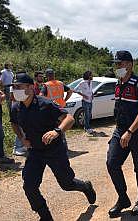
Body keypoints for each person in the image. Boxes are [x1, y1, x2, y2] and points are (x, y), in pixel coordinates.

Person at [10, 73, 96, 220]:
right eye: (14, 87)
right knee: (29, 186)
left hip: (54, 150)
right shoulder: (16, 107)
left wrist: (57, 131)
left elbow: (69, 118)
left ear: (31, 87)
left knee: (67, 184)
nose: (15, 90)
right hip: (35, 151)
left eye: (19, 87)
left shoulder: (45, 104)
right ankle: (45, 217)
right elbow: (14, 123)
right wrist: (22, 138)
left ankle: (85, 187)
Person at [106, 50, 138, 218]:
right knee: (112, 163)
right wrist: (123, 131)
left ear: (129, 65)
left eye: (120, 64)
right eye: (116, 64)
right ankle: (123, 198)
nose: (117, 66)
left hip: (137, 132)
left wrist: (130, 131)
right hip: (120, 131)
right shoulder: (118, 84)